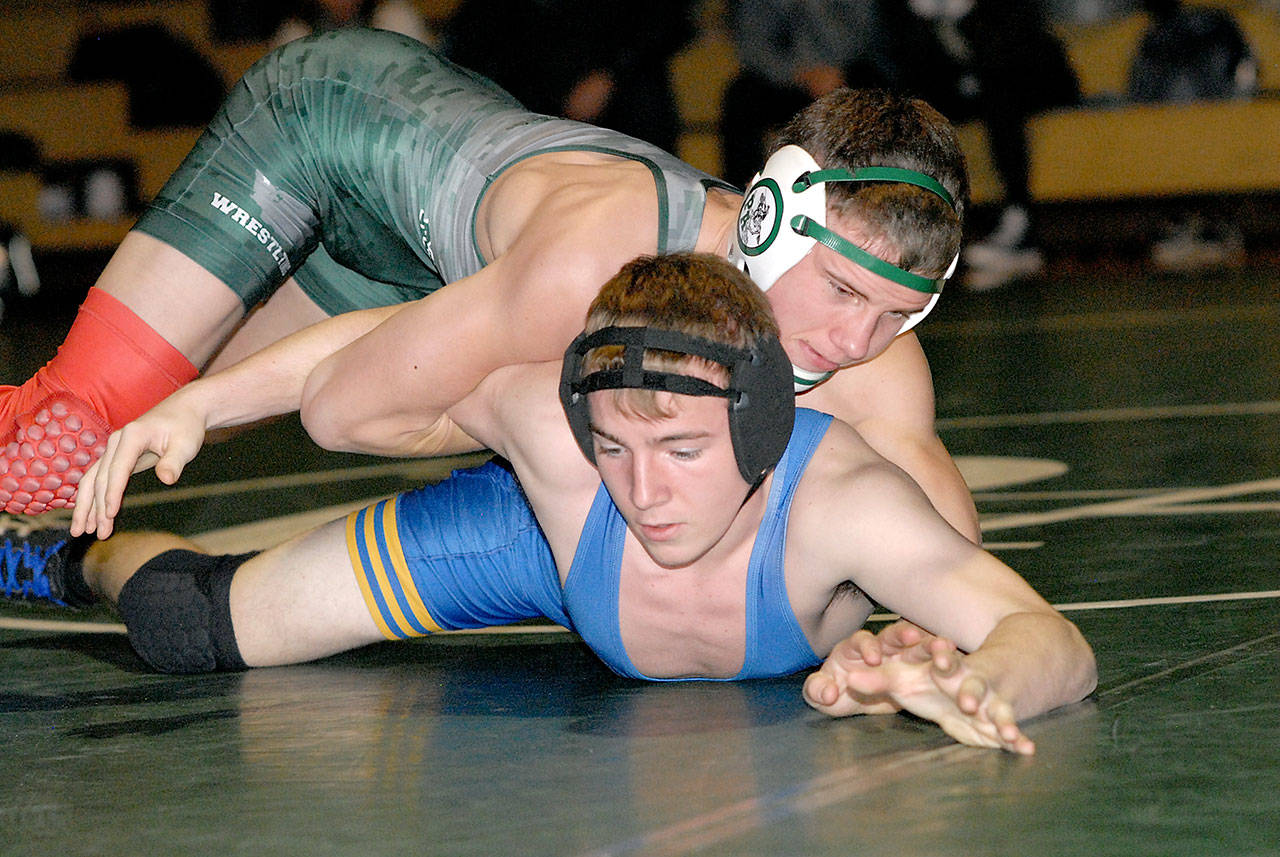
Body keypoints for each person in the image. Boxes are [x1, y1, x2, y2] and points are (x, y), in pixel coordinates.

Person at [2, 253, 1096, 754]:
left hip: (614, 537)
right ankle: (49, 558)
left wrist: (971, 680)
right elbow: (385, 356)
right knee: (195, 624)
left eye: (680, 445)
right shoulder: (554, 440)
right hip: (539, 536)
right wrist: (201, 403)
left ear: (761, 428)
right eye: (614, 440)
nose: (647, 487)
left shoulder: (842, 502)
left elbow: (1050, 640)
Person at [0, 27, 977, 545]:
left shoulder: (869, 350)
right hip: (321, 136)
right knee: (70, 446)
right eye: (845, 293)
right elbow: (350, 413)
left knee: (174, 424)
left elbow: (940, 538)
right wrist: (534, 405)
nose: (856, 344)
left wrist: (949, 644)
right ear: (767, 220)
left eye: (900, 313)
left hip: (414, 261)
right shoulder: (598, 266)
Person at [882, 0, 1080, 291]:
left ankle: (1020, 222)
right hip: (970, 85)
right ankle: (917, 225)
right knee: (910, 105)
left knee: (1001, 98)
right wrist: (925, 21)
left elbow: (1014, 49)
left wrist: (965, 15)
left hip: (1033, 80)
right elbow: (909, 61)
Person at [720, 0, 899, 188]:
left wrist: (832, 69)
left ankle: (876, 183)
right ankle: (743, 190)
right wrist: (798, 73)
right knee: (741, 97)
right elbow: (753, 44)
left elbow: (865, 34)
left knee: (880, 91)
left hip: (849, 68)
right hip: (790, 78)